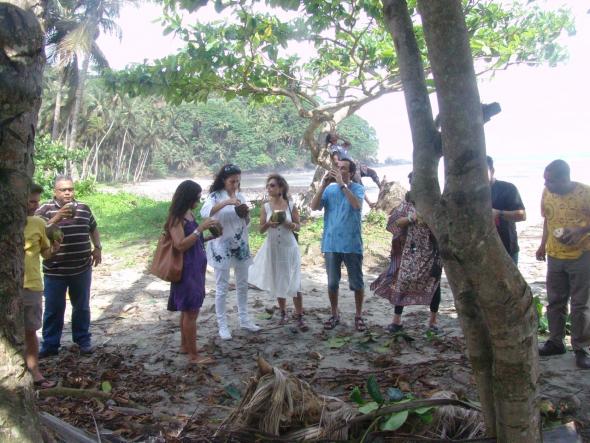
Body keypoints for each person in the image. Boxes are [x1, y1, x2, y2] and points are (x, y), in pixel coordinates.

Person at [36, 176, 102, 358]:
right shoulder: (44, 209)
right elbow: (37, 231)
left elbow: (93, 228)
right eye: (63, 189)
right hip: (55, 270)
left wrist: (97, 247)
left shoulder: (83, 208)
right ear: (54, 192)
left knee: (81, 306)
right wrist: (58, 217)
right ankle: (50, 345)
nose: (67, 192)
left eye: (70, 189)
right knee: (53, 309)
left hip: (81, 268)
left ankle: (83, 340)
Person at [371, 173, 442, 333]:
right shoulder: (407, 204)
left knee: (434, 285)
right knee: (402, 282)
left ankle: (433, 322)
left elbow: (442, 228)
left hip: (432, 252)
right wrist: (413, 218)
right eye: (412, 183)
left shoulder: (433, 205)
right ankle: (396, 321)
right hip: (410, 251)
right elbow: (395, 223)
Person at [536, 159, 590, 369]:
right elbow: (548, 220)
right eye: (544, 180)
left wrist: (579, 231)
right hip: (555, 255)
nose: (546, 185)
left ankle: (581, 348)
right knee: (555, 301)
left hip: (582, 255)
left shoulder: (585, 193)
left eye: (550, 181)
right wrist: (542, 246)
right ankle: (555, 342)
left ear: (564, 179)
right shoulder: (547, 193)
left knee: (580, 304)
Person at [200, 164, 260, 340]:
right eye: (232, 181)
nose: (235, 185)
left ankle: (244, 319)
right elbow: (205, 213)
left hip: (241, 244)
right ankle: (223, 325)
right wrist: (227, 202)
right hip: (222, 246)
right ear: (223, 180)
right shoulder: (214, 196)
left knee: (242, 284)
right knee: (222, 286)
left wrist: (245, 214)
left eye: (238, 181)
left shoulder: (241, 196)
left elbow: (245, 223)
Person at [166, 180, 220, 364]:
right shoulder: (176, 217)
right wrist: (200, 228)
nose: (199, 199)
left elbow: (192, 240)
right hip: (186, 270)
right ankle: (194, 356)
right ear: (188, 197)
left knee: (187, 310)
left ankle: (185, 345)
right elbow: (180, 245)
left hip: (196, 267)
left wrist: (209, 236)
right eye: (197, 197)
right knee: (191, 312)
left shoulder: (188, 214)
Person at [310, 158, 367, 331]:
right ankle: (334, 313)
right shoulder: (330, 190)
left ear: (350, 173)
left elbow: (356, 205)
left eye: (343, 168)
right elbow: (314, 207)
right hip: (331, 243)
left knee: (356, 283)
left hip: (351, 243)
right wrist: (323, 186)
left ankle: (358, 315)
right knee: (332, 283)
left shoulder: (357, 188)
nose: (339, 170)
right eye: (338, 167)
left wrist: (343, 185)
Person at [249, 174, 307, 330]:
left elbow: (298, 226)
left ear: (281, 188)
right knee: (278, 279)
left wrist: (288, 223)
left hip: (289, 247)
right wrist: (269, 224)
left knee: (294, 281)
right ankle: (282, 313)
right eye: (268, 185)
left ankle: (299, 314)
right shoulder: (266, 207)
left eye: (272, 185)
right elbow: (261, 230)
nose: (269, 188)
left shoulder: (290, 205)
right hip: (273, 247)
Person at [23, 184, 60, 387]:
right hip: (9, 287)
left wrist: (54, 247)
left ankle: (35, 372)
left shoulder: (38, 223)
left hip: (32, 285)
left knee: (30, 330)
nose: (35, 205)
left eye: (37, 201)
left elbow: (45, 254)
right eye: (31, 200)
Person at [487, 156, 526, 263]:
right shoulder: (470, 193)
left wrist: (499, 213)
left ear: (492, 171)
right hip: (481, 250)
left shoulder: (507, 189)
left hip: (507, 248)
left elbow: (522, 215)